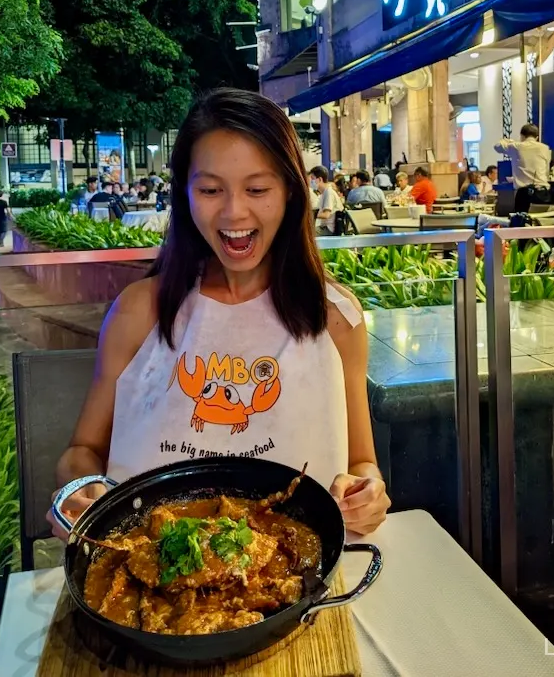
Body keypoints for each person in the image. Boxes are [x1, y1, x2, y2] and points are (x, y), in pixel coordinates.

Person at [47, 89, 389, 541]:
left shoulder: (336, 318)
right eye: (210, 189)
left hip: (294, 575)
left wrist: (367, 492)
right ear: (185, 193)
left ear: (291, 190)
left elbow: (361, 463)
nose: (234, 211)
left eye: (257, 189)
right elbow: (81, 451)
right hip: (149, 574)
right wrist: (78, 488)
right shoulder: (138, 310)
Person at [494, 124, 551, 213]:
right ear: (537, 137)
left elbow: (497, 146)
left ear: (522, 136)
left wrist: (508, 141)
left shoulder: (516, 146)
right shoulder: (545, 148)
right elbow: (546, 170)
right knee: (540, 222)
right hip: (542, 192)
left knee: (522, 223)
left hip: (524, 194)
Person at [310, 165, 344, 235]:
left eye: (312, 179)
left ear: (319, 179)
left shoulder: (329, 192)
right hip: (324, 227)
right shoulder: (323, 193)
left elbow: (326, 215)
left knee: (305, 234)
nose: (311, 182)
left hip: (328, 229)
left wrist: (311, 214)